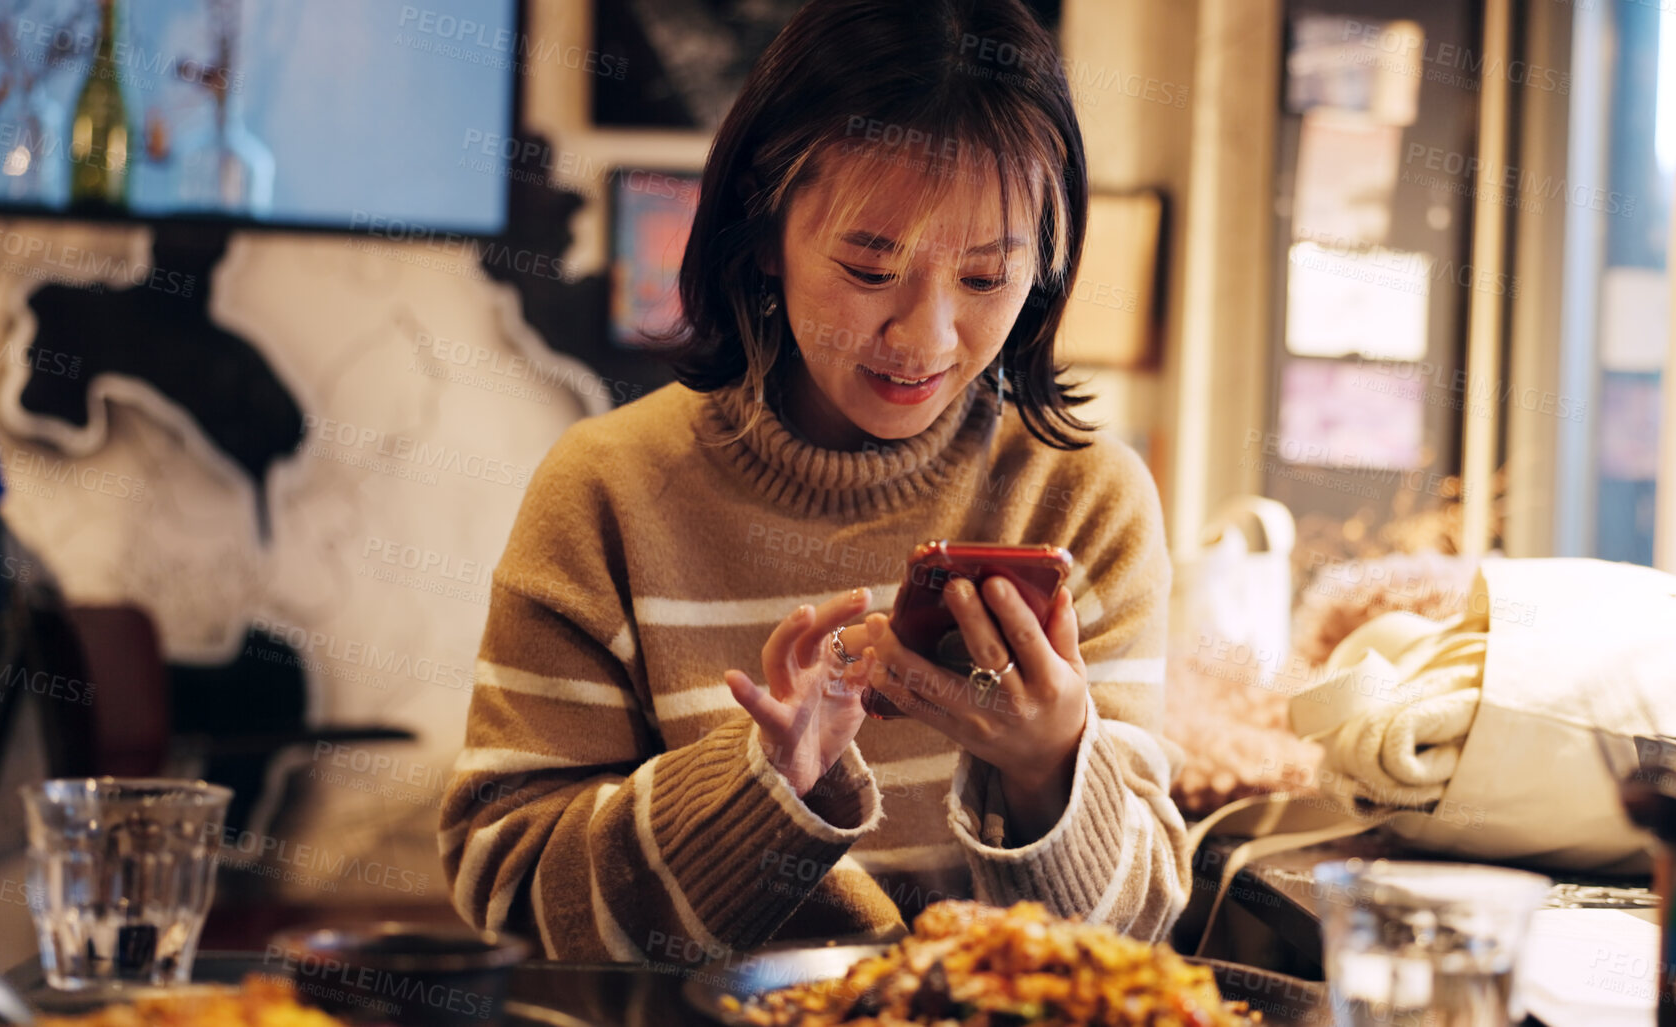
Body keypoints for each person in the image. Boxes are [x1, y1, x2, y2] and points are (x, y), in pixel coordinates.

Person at [438, 0, 1189, 961]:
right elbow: (506, 888)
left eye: (985, 278)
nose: (924, 338)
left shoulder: (1084, 500)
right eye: (868, 268)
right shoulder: (607, 491)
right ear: (761, 232)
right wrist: (757, 793)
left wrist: (1049, 767)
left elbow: (1137, 943)